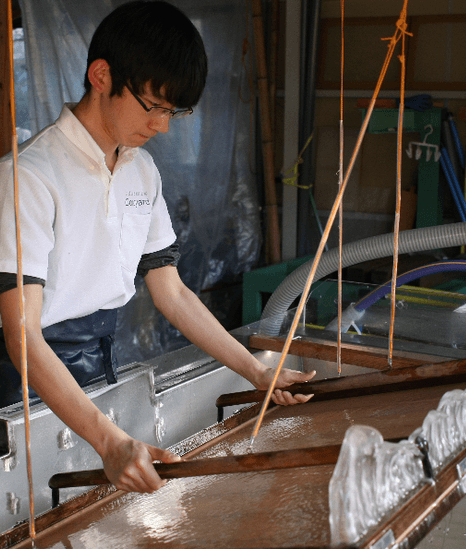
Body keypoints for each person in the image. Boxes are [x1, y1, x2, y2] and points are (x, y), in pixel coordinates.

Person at [0, 1, 315, 494]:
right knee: (31, 502)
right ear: (101, 76)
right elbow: (22, 335)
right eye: (154, 106)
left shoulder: (141, 171)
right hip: (25, 377)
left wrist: (256, 371)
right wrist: (109, 441)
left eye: (174, 112)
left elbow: (173, 293)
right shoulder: (29, 176)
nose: (162, 127)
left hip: (102, 360)